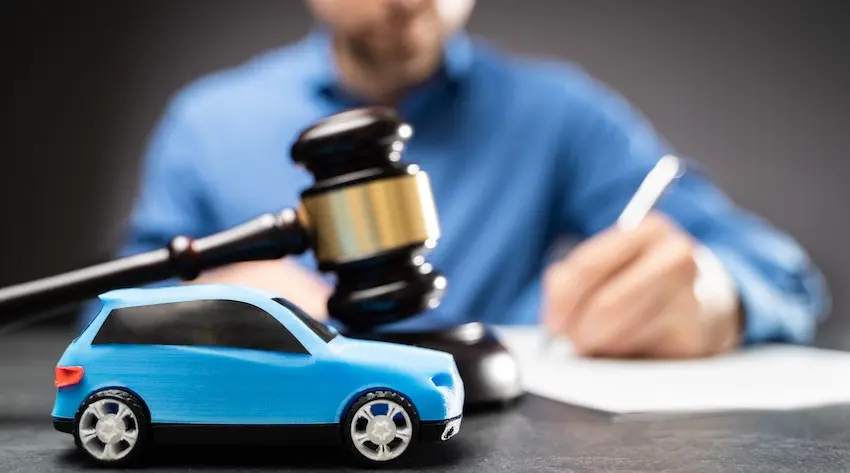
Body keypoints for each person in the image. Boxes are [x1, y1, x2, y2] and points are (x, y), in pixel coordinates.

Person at [86, 0, 830, 358]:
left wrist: (715, 293)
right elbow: (106, 314)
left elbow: (780, 270)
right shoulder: (208, 122)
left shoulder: (559, 114)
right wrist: (206, 304)